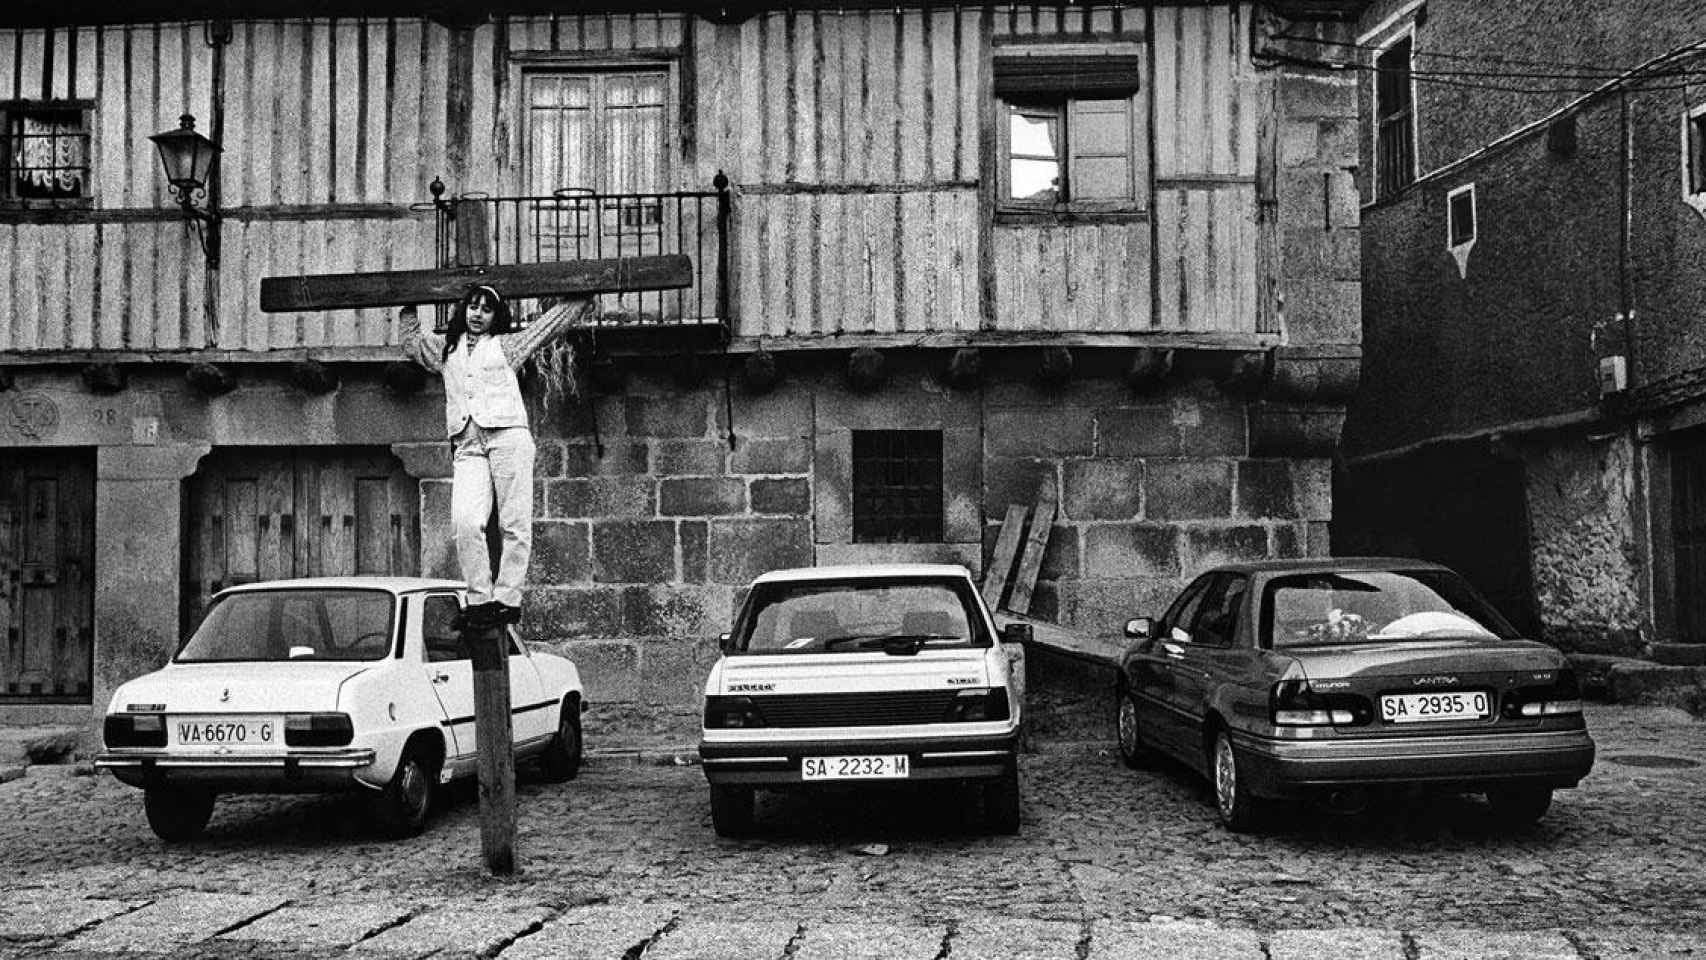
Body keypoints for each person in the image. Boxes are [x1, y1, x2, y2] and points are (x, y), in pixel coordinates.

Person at [400, 286, 592, 628]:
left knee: (514, 522)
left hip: (507, 437)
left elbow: (550, 325)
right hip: (468, 444)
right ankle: (478, 599)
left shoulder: (508, 346)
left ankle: (506, 599)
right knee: (465, 521)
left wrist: (583, 294)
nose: (477, 314)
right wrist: (407, 302)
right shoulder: (446, 349)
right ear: (463, 311)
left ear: (495, 317)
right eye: (472, 307)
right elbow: (412, 341)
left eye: (486, 309)